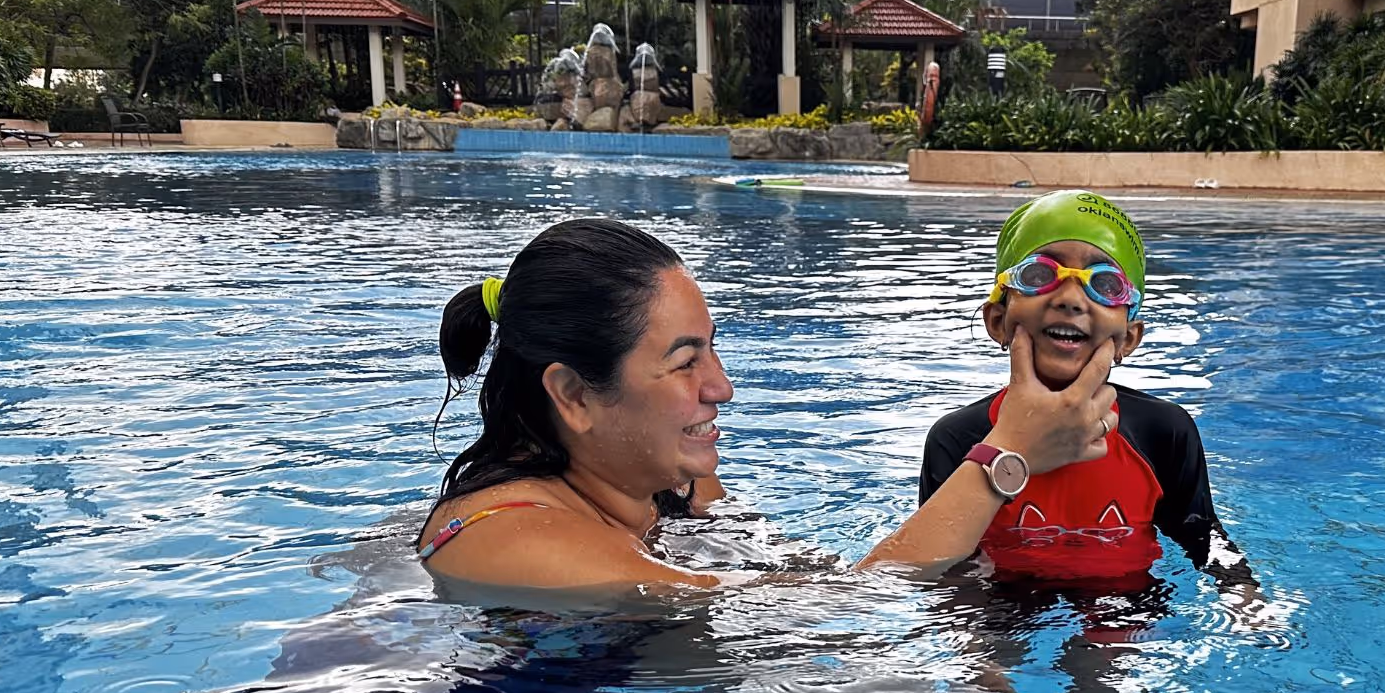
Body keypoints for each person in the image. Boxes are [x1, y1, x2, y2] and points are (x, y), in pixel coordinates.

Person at [417, 217, 1118, 598]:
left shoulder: (668, 487)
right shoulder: (519, 542)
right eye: (685, 361)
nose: (721, 387)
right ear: (573, 396)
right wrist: (1006, 456)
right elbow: (849, 614)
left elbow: (809, 575)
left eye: (712, 352)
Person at [918, 190, 1256, 596]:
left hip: (1122, 596)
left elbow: (1202, 535)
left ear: (1129, 337)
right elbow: (941, 561)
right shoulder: (958, 438)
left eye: (1106, 284)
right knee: (986, 656)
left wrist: (1246, 599)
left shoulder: (1163, 431)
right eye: (1040, 276)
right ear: (997, 321)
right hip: (1001, 596)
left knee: (1098, 659)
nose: (1070, 299)